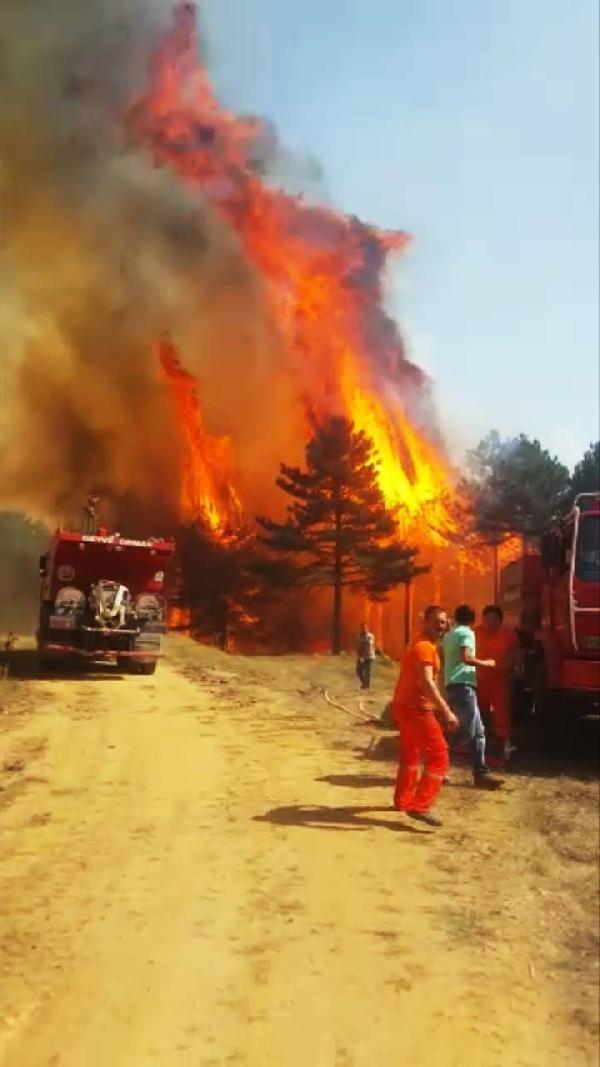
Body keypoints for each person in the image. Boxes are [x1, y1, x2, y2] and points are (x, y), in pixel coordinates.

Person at [391, 606, 459, 827]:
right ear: (425, 622)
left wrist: (444, 631)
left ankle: (402, 800)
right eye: (437, 622)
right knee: (439, 756)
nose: (442, 626)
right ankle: (419, 806)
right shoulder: (424, 648)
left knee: (411, 754)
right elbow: (427, 682)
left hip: (403, 704)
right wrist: (446, 710)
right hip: (417, 708)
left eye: (444, 622)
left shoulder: (419, 641)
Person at [442, 604, 504, 790]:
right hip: (463, 687)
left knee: (479, 732)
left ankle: (481, 774)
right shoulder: (467, 633)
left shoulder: (448, 635)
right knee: (466, 732)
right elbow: (466, 657)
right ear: (473, 619)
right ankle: (438, 761)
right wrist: (487, 663)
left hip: (454, 685)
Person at [475, 605, 519, 764]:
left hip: (501, 679)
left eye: (494, 619)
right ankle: (479, 745)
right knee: (479, 711)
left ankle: (503, 746)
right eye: (487, 619)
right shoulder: (476, 633)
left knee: (501, 712)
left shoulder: (509, 635)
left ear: (500, 620)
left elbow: (515, 654)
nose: (490, 622)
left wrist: (510, 667)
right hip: (480, 679)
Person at [355, 622, 376, 690]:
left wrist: (363, 643)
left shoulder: (370, 636)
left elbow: (369, 645)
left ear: (368, 628)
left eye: (365, 628)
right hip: (361, 656)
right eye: (362, 628)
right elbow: (358, 647)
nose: (364, 629)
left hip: (369, 656)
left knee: (368, 672)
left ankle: (367, 686)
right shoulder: (359, 636)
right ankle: (364, 683)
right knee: (358, 671)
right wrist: (360, 656)